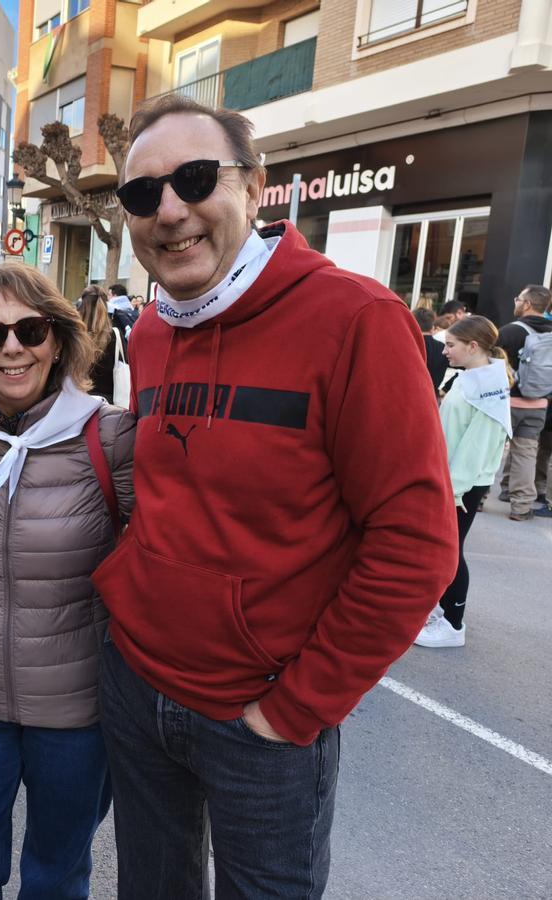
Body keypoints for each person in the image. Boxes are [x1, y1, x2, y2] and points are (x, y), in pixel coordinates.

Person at [94, 94, 458, 898]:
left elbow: (416, 545)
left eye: (196, 178)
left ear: (255, 186)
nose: (170, 210)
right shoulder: (152, 330)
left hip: (260, 720)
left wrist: (296, 709)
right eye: (143, 193)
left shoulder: (356, 319)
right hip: (138, 686)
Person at [0, 263, 136, 899]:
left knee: (57, 876)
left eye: (30, 330)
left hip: (77, 711)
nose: (11, 348)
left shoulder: (108, 435)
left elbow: (164, 555)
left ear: (59, 339)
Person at [415, 316, 512, 649]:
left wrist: (450, 490)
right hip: (453, 479)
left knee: (450, 552)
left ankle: (454, 625)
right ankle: (443, 611)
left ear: (473, 346)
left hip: (462, 485)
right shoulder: (473, 377)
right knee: (445, 550)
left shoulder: (487, 388)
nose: (444, 351)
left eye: (451, 345)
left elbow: (476, 449)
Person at [496, 285, 552, 521]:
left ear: (527, 304)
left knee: (492, 450)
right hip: (538, 405)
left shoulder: (510, 331)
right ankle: (520, 507)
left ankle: (477, 499)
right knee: (526, 454)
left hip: (506, 402)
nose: (516, 302)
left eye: (518, 298)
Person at [80, 284, 117, 401]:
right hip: (108, 402)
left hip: (78, 400)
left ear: (82, 305)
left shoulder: (73, 334)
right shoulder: (114, 335)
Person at [414, 306, 449, 396]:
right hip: (432, 396)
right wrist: (446, 388)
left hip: (409, 396)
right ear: (433, 328)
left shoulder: (407, 346)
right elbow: (468, 367)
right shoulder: (442, 348)